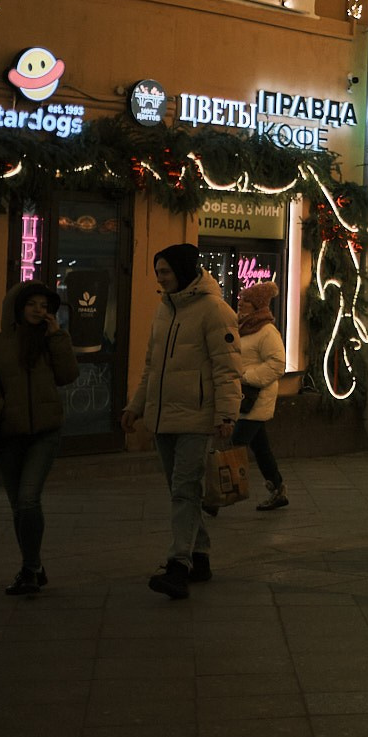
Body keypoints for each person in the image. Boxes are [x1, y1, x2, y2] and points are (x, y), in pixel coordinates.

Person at [123, 244, 242, 599]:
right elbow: (151, 367)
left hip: (196, 417)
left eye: (166, 271)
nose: (161, 278)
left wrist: (225, 415)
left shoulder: (214, 311)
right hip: (162, 418)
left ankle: (178, 565)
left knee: (185, 490)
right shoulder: (164, 310)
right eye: (158, 272)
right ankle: (200, 556)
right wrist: (136, 406)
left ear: (185, 271)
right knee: (183, 491)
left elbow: (228, 368)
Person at [0, 280, 78, 595]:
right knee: (18, 506)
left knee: (27, 499)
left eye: (44, 305)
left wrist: (58, 337)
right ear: (16, 308)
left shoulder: (50, 342)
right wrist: (0, 407)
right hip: (8, 435)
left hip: (45, 433)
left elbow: (68, 375)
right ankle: (33, 567)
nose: (39, 310)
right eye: (31, 304)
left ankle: (30, 568)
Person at [231, 281, 290, 513]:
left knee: (235, 445)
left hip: (256, 398)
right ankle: (277, 489)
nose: (240, 304)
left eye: (245, 301)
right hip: (244, 397)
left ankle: (219, 496)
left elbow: (278, 365)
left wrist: (246, 376)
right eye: (241, 300)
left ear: (256, 306)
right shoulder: (243, 327)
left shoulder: (266, 331)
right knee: (261, 447)